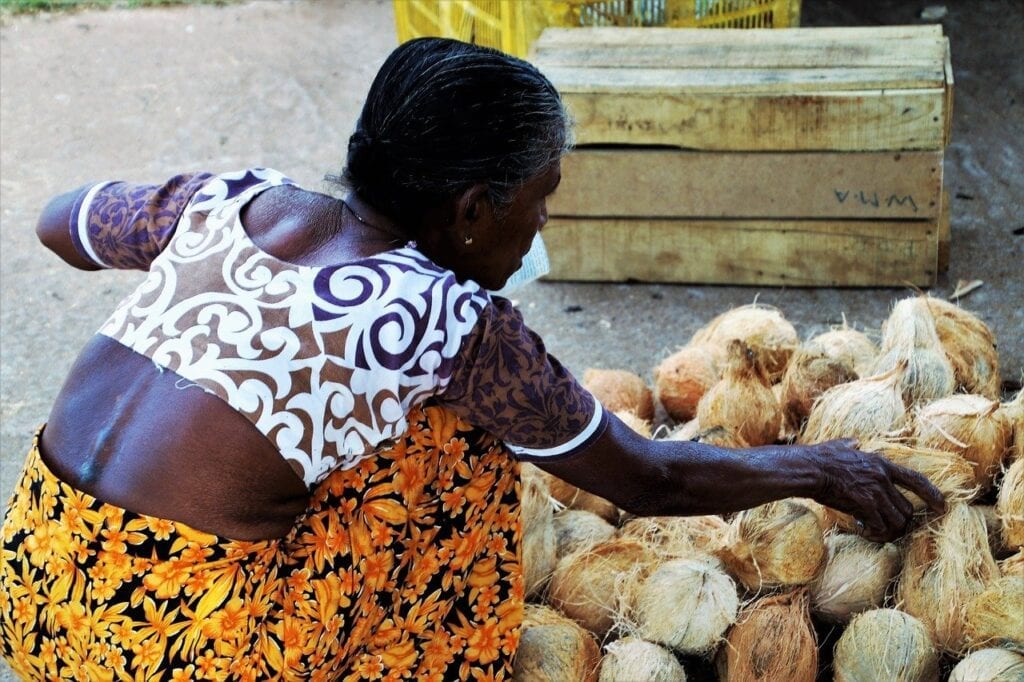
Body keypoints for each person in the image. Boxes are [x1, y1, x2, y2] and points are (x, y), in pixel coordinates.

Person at [0, 37, 944, 680]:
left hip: (39, 583)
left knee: (366, 418)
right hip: (178, 653)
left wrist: (205, 276)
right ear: (470, 210)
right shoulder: (449, 322)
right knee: (460, 447)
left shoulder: (230, 198)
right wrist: (821, 467)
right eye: (541, 201)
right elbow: (643, 475)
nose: (544, 225)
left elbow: (59, 224)